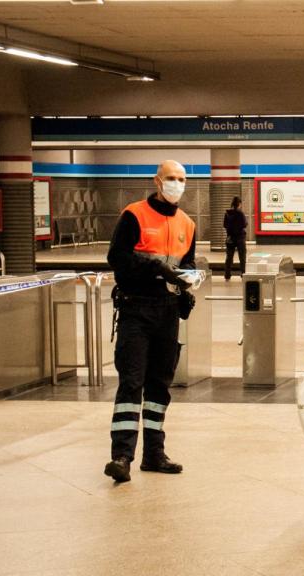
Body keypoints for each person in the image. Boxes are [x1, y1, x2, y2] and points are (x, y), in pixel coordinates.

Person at [103, 160, 197, 483]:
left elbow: (188, 263)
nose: (177, 183)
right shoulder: (134, 215)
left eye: (182, 178)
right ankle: (122, 455)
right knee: (132, 382)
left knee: (160, 385)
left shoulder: (187, 223)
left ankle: (154, 453)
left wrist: (188, 284)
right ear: (158, 181)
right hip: (136, 310)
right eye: (171, 178)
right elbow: (117, 258)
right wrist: (155, 266)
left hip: (167, 312)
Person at [223, 196, 248, 280]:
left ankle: (227, 274)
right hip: (240, 238)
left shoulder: (227, 213)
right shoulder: (240, 213)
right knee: (242, 257)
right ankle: (243, 273)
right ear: (239, 204)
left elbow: (225, 225)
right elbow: (244, 224)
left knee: (229, 258)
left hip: (230, 238)